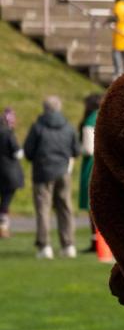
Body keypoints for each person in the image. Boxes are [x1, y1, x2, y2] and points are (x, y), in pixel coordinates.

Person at [23, 97, 79, 259]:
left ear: (44, 108)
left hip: (42, 173)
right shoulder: (68, 127)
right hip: (63, 171)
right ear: (59, 108)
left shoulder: (38, 127)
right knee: (65, 209)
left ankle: (44, 246)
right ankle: (68, 245)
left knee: (43, 209)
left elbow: (28, 151)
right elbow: (76, 150)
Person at [78, 95, 103, 252]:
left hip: (91, 163)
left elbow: (87, 148)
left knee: (91, 202)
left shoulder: (89, 121)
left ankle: (95, 241)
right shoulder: (103, 115)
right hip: (102, 160)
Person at [0, 107, 24, 240]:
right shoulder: (8, 133)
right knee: (5, 202)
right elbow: (18, 153)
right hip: (9, 173)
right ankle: (3, 228)